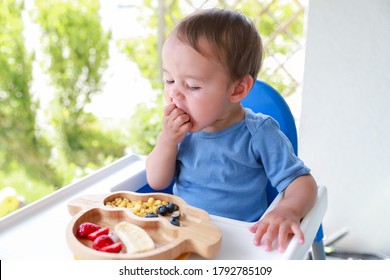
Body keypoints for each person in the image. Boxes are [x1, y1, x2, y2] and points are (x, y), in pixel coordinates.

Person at [146, 8, 317, 253]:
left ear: (237, 90)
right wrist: (167, 140)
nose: (174, 93)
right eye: (169, 80)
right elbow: (156, 181)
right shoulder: (180, 132)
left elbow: (302, 182)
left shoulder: (259, 134)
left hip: (239, 244)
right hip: (182, 233)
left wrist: (288, 209)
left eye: (192, 85)